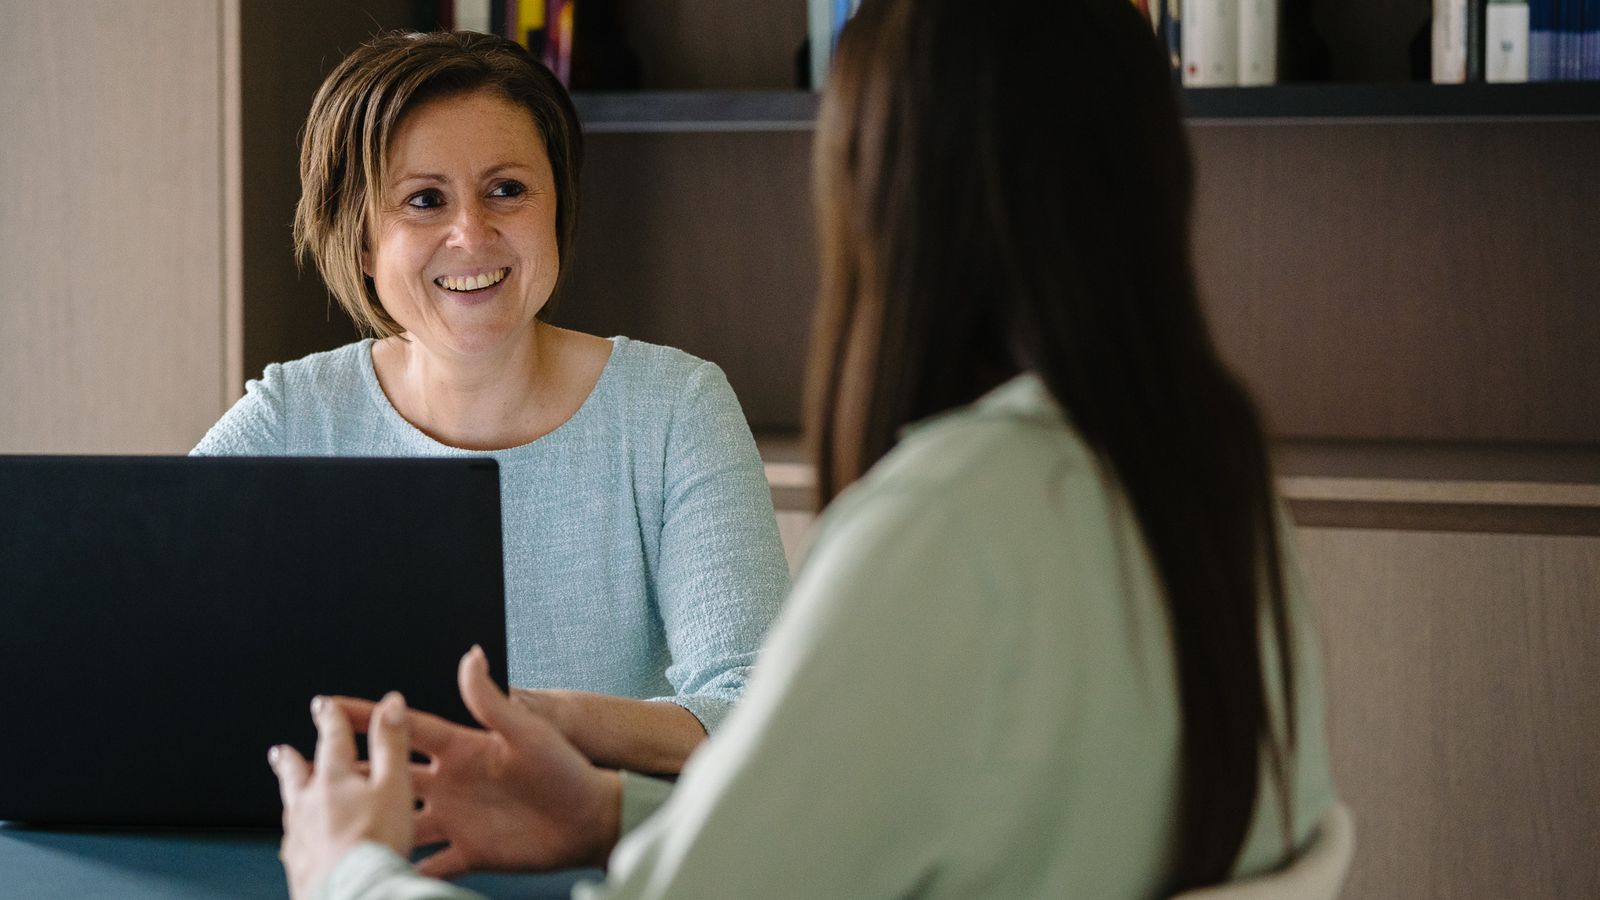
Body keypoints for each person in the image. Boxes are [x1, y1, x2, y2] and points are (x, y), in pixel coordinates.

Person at [270, 1, 1341, 897]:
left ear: (894, 194)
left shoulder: (946, 516)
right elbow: (887, 822)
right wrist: (606, 808)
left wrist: (347, 873)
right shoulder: (1210, 475)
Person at [196, 30, 791, 775]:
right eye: (423, 200)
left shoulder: (675, 409)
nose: (471, 234)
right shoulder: (292, 414)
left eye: (507, 189)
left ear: (556, 207)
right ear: (360, 243)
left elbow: (755, 712)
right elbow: (143, 628)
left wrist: (527, 719)